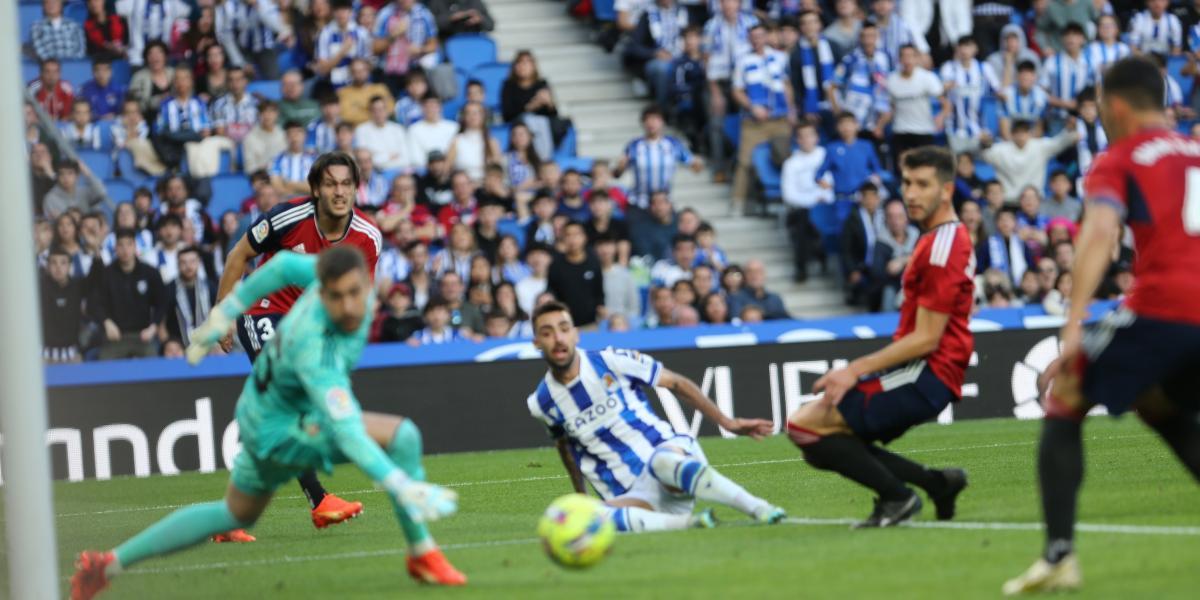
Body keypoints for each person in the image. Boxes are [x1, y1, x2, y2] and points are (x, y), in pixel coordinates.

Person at [70, 248, 466, 600]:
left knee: (235, 514)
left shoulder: (329, 273)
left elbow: (282, 265)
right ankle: (422, 553)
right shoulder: (317, 347)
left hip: (261, 410)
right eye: (336, 297)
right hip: (282, 427)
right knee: (404, 436)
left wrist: (225, 310)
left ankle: (107, 565)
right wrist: (400, 483)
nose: (347, 305)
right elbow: (347, 431)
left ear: (366, 282)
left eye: (353, 293)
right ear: (323, 293)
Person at [1003, 55, 1200, 595]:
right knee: (1161, 405)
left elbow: (1098, 235)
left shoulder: (1121, 156)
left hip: (1165, 307)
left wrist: (1073, 323)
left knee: (1065, 390)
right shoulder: (1197, 150)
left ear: (1114, 106)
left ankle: (1059, 556)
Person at [786, 146, 971, 530]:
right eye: (906, 183)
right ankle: (936, 483)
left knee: (807, 425)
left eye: (923, 184)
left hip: (928, 372)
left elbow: (927, 338)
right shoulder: (936, 238)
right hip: (920, 370)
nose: (911, 193)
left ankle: (900, 497)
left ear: (947, 190)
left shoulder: (941, 247)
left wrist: (853, 370)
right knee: (819, 436)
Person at [215, 152, 382, 537]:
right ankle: (320, 501)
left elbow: (357, 297)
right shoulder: (288, 217)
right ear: (315, 189)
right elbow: (240, 253)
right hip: (263, 312)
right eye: (330, 184)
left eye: (346, 184)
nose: (339, 192)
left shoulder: (368, 237)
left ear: (356, 189)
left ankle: (229, 517)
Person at [527, 300, 785, 532]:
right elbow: (564, 446)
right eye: (547, 333)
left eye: (563, 329)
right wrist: (580, 496)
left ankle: (758, 507)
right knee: (582, 517)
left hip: (670, 460)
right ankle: (691, 524)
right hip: (633, 497)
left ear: (576, 334)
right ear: (536, 342)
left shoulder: (610, 361)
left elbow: (676, 383)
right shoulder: (541, 402)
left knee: (662, 463)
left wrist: (727, 422)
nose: (558, 338)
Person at [730, 22, 795, 215]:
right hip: (754, 122)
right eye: (753, 36)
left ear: (767, 37)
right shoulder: (743, 60)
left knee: (785, 157)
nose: (757, 40)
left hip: (780, 118)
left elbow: (787, 85)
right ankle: (738, 202)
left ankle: (789, 200)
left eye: (760, 36)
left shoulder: (781, 57)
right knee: (745, 162)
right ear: (749, 39)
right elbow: (736, 90)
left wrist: (791, 110)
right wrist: (752, 106)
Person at [92, 229, 168, 361]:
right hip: (116, 335)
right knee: (103, 365)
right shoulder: (106, 274)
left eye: (129, 244)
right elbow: (95, 303)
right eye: (120, 245)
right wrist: (106, 322)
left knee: (154, 367)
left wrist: (154, 326)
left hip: (143, 335)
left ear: (135, 246)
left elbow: (162, 302)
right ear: (115, 248)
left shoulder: (150, 272)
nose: (125, 249)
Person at [615, 106, 703, 210]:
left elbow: (695, 167)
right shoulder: (634, 146)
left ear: (663, 122)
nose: (651, 123)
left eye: (655, 119)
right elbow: (617, 174)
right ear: (643, 123)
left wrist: (698, 164)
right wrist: (620, 167)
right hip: (639, 202)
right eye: (647, 119)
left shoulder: (673, 144)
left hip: (664, 204)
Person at [981, 120, 1078, 204]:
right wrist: (984, 143)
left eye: (1024, 132)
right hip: (1008, 201)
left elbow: (1059, 143)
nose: (1021, 136)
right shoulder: (1001, 149)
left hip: (1035, 200)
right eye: (1017, 132)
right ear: (1012, 134)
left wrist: (1069, 130)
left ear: (1029, 133)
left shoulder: (1040, 147)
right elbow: (985, 155)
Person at [884, 44, 946, 170]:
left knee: (924, 169)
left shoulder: (927, 78)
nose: (908, 60)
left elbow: (946, 104)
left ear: (917, 58)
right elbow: (891, 108)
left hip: (924, 131)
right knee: (903, 170)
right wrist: (880, 125)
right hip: (901, 131)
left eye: (911, 56)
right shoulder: (891, 80)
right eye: (904, 56)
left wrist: (941, 117)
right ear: (899, 59)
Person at [625, 0, 690, 110]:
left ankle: (686, 113)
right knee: (662, 68)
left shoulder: (684, 12)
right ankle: (662, 110)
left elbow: (695, 35)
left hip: (683, 57)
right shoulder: (647, 14)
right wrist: (655, 53)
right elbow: (634, 47)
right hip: (657, 59)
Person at [940, 36, 999, 156]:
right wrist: (945, 87)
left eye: (968, 46)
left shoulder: (984, 68)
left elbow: (999, 91)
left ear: (975, 49)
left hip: (980, 130)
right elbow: (940, 92)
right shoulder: (949, 68)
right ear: (957, 49)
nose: (964, 50)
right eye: (961, 46)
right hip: (955, 129)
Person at [501, 51, 561, 161]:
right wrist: (531, 106)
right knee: (532, 120)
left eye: (527, 62)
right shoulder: (508, 86)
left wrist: (550, 103)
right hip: (520, 122)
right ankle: (543, 158)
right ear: (515, 67)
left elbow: (554, 114)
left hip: (543, 125)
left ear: (534, 66)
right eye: (520, 63)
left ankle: (543, 157)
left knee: (542, 121)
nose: (523, 66)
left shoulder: (542, 84)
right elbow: (507, 115)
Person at [547, 221, 605, 328]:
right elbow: (551, 291)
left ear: (585, 237)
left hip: (590, 325)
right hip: (564, 326)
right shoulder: (556, 264)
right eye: (568, 235)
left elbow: (599, 293)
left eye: (577, 234)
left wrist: (601, 308)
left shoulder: (593, 262)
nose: (573, 239)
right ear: (563, 238)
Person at [840, 181, 885, 308]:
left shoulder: (885, 216)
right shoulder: (852, 220)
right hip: (862, 264)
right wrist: (852, 270)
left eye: (873, 197)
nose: (870, 201)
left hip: (883, 262)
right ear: (862, 199)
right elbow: (846, 249)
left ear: (878, 198)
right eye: (867, 197)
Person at [314, 0, 374, 90]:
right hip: (332, 86)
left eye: (344, 9)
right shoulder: (325, 34)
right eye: (338, 10)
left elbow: (369, 64)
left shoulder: (361, 33)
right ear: (333, 12)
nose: (341, 14)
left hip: (359, 87)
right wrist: (342, 52)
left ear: (351, 12)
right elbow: (323, 70)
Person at [41, 245, 86, 364]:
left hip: (72, 353)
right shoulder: (39, 288)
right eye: (53, 263)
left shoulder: (77, 287)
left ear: (70, 266)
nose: (58, 268)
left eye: (63, 263)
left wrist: (97, 252)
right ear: (47, 267)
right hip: (44, 354)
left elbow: (97, 280)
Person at [789, 10, 835, 121]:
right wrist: (804, 108)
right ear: (801, 28)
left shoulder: (833, 47)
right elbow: (795, 85)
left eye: (813, 22)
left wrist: (837, 104)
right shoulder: (795, 53)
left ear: (819, 25)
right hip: (809, 110)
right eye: (805, 23)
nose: (809, 26)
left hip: (833, 107)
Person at [446, 101, 503, 182]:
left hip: (485, 186)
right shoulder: (456, 140)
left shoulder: (492, 142)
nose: (472, 117)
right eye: (468, 113)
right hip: (462, 186)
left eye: (476, 113)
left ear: (483, 116)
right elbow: (447, 168)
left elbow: (497, 170)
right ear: (464, 117)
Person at [355, 95, 412, 171]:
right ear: (370, 112)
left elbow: (406, 158)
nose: (378, 114)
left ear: (387, 110)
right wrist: (390, 156)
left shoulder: (398, 129)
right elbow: (364, 160)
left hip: (400, 170)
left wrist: (378, 156)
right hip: (375, 172)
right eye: (375, 110)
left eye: (381, 109)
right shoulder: (361, 130)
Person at [998, 61, 1048, 141]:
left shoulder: (1041, 96)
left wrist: (1028, 146)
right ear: (1017, 76)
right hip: (1011, 141)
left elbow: (1039, 128)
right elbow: (1004, 128)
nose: (1025, 78)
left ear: (1034, 77)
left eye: (1029, 75)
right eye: (1023, 75)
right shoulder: (1006, 95)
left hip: (1032, 142)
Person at [339, 59, 395, 127]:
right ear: (351, 73)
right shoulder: (344, 92)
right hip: (356, 131)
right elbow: (347, 115)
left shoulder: (380, 89)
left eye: (362, 70)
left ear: (368, 71)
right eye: (355, 71)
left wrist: (359, 109)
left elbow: (391, 108)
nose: (359, 74)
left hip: (380, 129)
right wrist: (377, 113)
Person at [408, 95, 458, 169]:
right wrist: (433, 167)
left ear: (440, 108)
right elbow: (416, 157)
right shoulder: (414, 129)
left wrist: (446, 166)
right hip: (425, 170)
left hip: (450, 169)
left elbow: (456, 153)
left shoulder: (453, 127)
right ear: (422, 108)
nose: (430, 110)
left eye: (434, 106)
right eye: (427, 107)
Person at [271, 121, 320, 196]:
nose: (294, 137)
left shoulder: (315, 158)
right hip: (286, 204)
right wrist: (304, 185)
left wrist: (289, 184)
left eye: (298, 133)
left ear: (305, 136)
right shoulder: (277, 159)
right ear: (285, 137)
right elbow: (277, 188)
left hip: (309, 203)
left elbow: (317, 188)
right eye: (290, 134)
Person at [427, 0, 494, 39]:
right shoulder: (438, 2)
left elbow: (490, 26)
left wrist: (480, 19)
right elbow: (430, 26)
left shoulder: (474, 2)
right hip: (447, 41)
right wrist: (451, 18)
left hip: (472, 40)